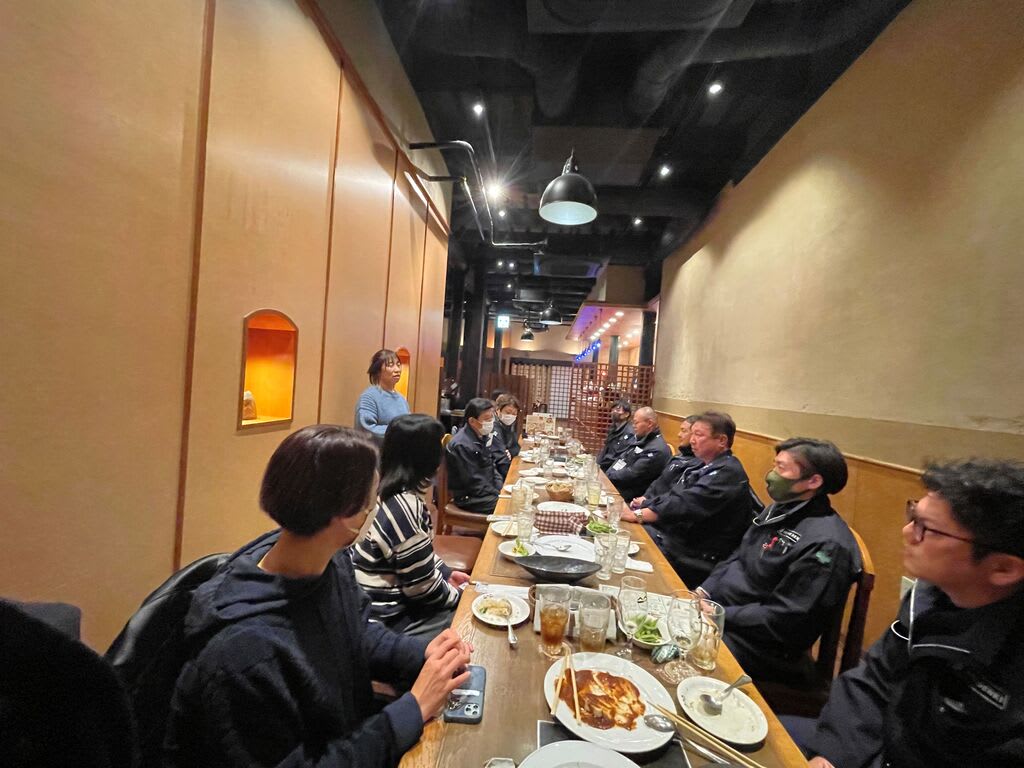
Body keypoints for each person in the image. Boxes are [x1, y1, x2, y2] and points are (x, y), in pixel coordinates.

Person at [164, 425, 472, 768]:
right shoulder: (243, 654)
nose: (375, 509)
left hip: (351, 732)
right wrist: (411, 710)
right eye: (370, 503)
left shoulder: (328, 560)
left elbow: (356, 629)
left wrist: (420, 654)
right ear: (344, 516)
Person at [807, 459, 1024, 768]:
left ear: (1003, 568)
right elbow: (873, 679)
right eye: (913, 516)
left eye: (926, 528)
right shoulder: (931, 596)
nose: (907, 532)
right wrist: (832, 754)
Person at [698, 438, 861, 685]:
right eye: (774, 465)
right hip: (722, 613)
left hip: (761, 646)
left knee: (674, 651)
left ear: (813, 481)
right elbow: (738, 555)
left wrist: (719, 614)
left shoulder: (828, 543)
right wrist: (704, 590)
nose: (771, 475)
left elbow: (786, 620)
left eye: (781, 468)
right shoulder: (780, 510)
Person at [352, 415, 469, 639]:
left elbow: (417, 556)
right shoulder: (405, 507)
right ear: (428, 458)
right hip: (389, 619)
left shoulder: (390, 492)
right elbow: (422, 588)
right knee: (466, 621)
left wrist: (446, 573)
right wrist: (460, 596)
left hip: (382, 605)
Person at [626, 411, 754, 586]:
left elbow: (683, 504)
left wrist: (637, 514)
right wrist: (644, 507)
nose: (692, 440)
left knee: (627, 547)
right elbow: (674, 495)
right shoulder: (704, 465)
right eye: (692, 434)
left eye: (699, 435)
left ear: (722, 440)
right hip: (674, 538)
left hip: (694, 555)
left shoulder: (728, 472)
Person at [629, 415, 702, 512]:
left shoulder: (696, 465)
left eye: (684, 431)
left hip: (658, 512)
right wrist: (644, 497)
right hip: (648, 504)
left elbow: (672, 498)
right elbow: (659, 482)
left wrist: (645, 503)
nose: (679, 434)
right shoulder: (680, 456)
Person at [445, 398, 503, 514]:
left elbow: (491, 465)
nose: (491, 422)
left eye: (492, 418)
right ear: (472, 421)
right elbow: (472, 481)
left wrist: (500, 487)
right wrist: (497, 493)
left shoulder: (482, 435)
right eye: (486, 419)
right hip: (469, 497)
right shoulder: (462, 445)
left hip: (485, 489)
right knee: (507, 507)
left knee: (511, 500)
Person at [605, 406, 672, 504]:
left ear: (649, 423)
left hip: (631, 498)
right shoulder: (641, 439)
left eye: (636, 423)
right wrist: (608, 474)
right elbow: (622, 459)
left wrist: (608, 477)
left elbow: (632, 474)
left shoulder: (656, 449)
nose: (633, 426)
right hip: (617, 486)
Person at [355, 349, 410, 439]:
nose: (397, 370)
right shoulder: (369, 397)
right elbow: (366, 429)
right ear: (378, 371)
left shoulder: (402, 399)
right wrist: (400, 431)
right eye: (391, 365)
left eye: (398, 365)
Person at [597, 399, 635, 471]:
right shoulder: (613, 427)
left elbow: (619, 457)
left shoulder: (629, 433)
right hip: (603, 465)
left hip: (612, 469)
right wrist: (597, 463)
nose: (613, 412)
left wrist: (606, 471)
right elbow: (606, 449)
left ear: (626, 414)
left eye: (617, 410)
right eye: (613, 410)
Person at [490, 393, 521, 479]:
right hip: (496, 474)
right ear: (498, 410)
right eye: (508, 412)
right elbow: (501, 460)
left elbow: (516, 448)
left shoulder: (508, 425)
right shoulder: (493, 427)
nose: (511, 416)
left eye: (514, 414)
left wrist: (509, 452)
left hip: (505, 468)